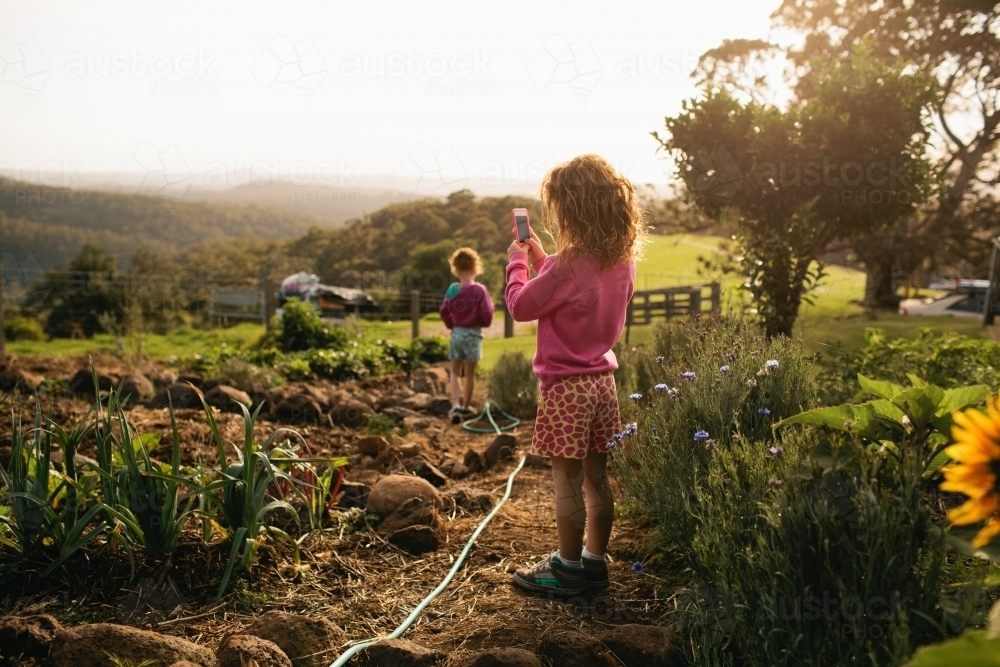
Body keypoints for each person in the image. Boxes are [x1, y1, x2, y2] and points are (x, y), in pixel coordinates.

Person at [505, 154, 642, 595]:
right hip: (603, 384)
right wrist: (544, 257)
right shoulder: (621, 262)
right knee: (597, 478)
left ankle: (565, 568)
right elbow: (577, 289)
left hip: (565, 388)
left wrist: (517, 264)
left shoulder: (567, 267)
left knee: (565, 479)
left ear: (572, 211)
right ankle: (594, 562)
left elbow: (522, 305)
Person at [439, 247, 494, 424]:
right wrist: (481, 323)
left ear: (454, 268)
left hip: (457, 334)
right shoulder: (479, 290)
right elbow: (487, 312)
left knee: (454, 372)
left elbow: (444, 311)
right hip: (473, 334)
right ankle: (465, 408)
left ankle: (454, 405)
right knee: (470, 374)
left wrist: (452, 325)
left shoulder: (453, 289)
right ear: (475, 267)